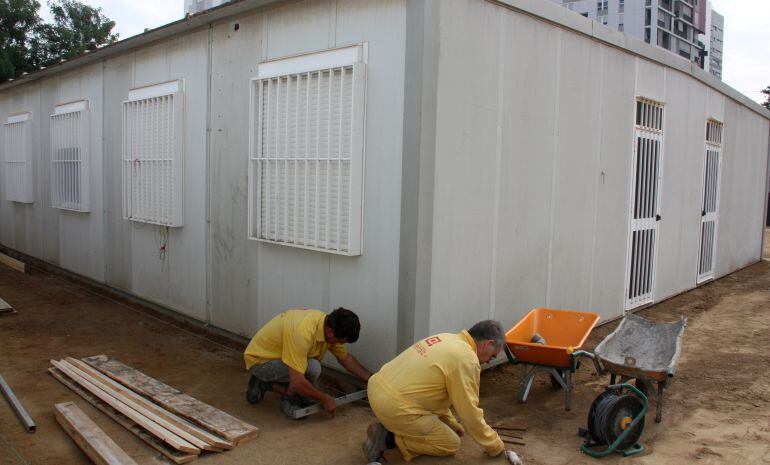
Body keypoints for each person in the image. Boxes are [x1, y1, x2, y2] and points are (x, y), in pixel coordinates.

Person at [363, 320, 507, 462]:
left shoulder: (447, 338)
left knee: (439, 425)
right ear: (488, 343)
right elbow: (469, 413)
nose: (489, 361)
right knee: (450, 443)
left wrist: (452, 423)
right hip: (395, 406)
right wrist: (495, 445)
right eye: (493, 355)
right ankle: (389, 439)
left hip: (376, 388)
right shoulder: (466, 359)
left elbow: (435, 393)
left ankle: (391, 427)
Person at [244, 307, 371, 418]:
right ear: (331, 332)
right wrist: (324, 398)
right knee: (311, 369)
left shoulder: (326, 325)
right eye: (340, 341)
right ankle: (286, 398)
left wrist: (371, 379)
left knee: (312, 367)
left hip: (278, 357)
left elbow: (345, 358)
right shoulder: (302, 333)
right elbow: (297, 381)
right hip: (261, 361)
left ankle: (296, 394)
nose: (340, 344)